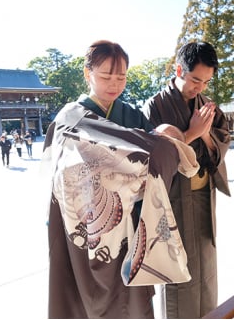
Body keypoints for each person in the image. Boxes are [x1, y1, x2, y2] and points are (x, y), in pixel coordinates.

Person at [44, 40, 163, 319]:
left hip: (129, 223)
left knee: (131, 296)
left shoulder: (131, 114)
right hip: (84, 225)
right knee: (86, 299)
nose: (114, 84)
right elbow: (62, 174)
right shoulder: (70, 117)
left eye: (121, 77)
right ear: (88, 74)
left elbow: (155, 157)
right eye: (106, 76)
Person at [142, 41, 231, 319]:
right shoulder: (155, 106)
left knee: (206, 264)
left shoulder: (207, 106)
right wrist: (191, 134)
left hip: (204, 194)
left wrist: (205, 133)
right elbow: (150, 158)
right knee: (177, 267)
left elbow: (221, 143)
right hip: (174, 200)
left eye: (206, 81)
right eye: (195, 79)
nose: (200, 87)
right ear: (179, 69)